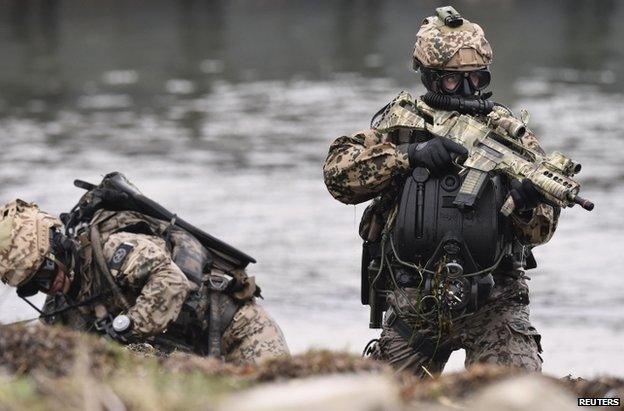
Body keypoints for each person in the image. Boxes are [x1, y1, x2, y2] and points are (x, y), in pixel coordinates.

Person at [323, 6, 559, 377]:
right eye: (452, 81)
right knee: (378, 397)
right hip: (416, 300)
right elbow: (338, 175)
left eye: (476, 79)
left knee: (516, 396)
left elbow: (541, 230)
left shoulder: (508, 134)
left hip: (494, 299)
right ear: (430, 78)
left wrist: (527, 204)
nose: (467, 90)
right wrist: (408, 155)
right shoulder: (401, 125)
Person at [0, 178, 289, 365]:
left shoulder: (115, 250)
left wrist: (126, 328)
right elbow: (48, 353)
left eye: (45, 272)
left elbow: (170, 281)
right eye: (31, 286)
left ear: (58, 245)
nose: (45, 286)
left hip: (237, 330)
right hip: (195, 357)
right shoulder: (62, 310)